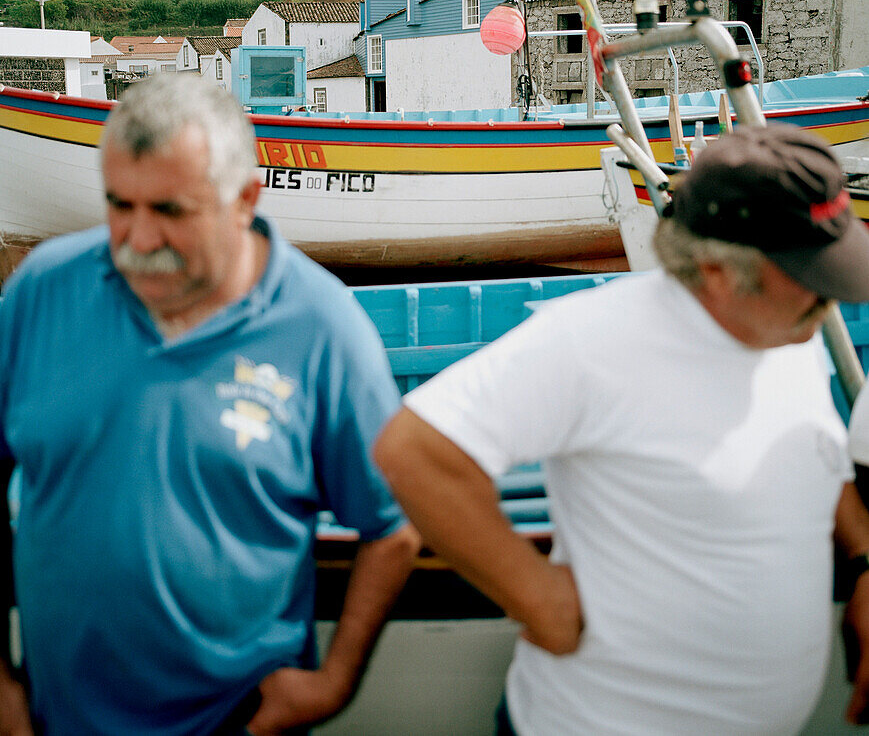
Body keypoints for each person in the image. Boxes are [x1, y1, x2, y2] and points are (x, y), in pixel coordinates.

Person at [375, 125, 869, 735]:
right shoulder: (597, 341)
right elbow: (413, 450)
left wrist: (866, 564)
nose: (832, 298)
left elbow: (818, 452)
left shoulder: (787, 329)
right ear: (718, 271)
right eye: (812, 274)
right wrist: (536, 596)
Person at [0, 73, 419, 736]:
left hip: (240, 722)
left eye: (170, 211)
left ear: (244, 199)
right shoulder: (41, 292)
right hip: (55, 718)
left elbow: (392, 526)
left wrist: (333, 684)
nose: (138, 239)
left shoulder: (321, 326)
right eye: (119, 204)